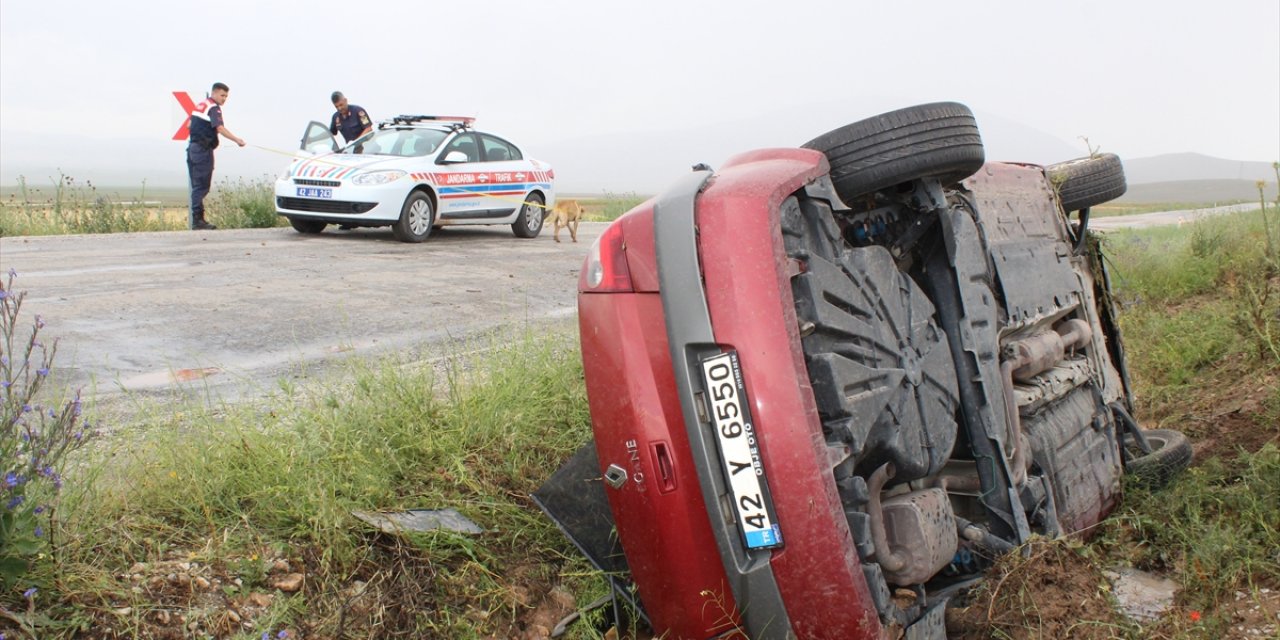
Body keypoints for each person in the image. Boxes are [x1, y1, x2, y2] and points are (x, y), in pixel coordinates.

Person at [186, 82, 245, 230]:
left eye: (226, 96)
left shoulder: (201, 105)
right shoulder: (213, 108)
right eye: (222, 95)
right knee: (202, 186)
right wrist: (237, 140)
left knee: (196, 185)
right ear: (214, 93)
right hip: (203, 150)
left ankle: (198, 219)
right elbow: (219, 127)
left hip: (192, 148)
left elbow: (188, 125)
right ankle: (198, 221)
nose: (224, 99)